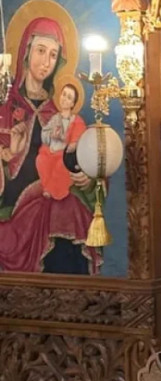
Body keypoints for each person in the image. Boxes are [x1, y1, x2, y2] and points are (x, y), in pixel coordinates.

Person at [0, 17, 98, 274]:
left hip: (56, 195)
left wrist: (85, 176)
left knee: (72, 219)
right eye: (41, 51)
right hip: (16, 202)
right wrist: (11, 151)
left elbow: (86, 161)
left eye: (53, 55)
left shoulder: (61, 112)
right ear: (24, 53)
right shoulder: (6, 108)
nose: (46, 62)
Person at [36, 82, 86, 200]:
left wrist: (72, 144)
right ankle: (47, 187)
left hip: (66, 156)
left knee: (60, 166)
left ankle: (55, 190)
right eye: (63, 94)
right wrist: (51, 135)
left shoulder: (76, 120)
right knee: (40, 160)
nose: (64, 99)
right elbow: (44, 134)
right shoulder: (55, 118)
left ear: (73, 103)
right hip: (52, 152)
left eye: (69, 98)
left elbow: (79, 138)